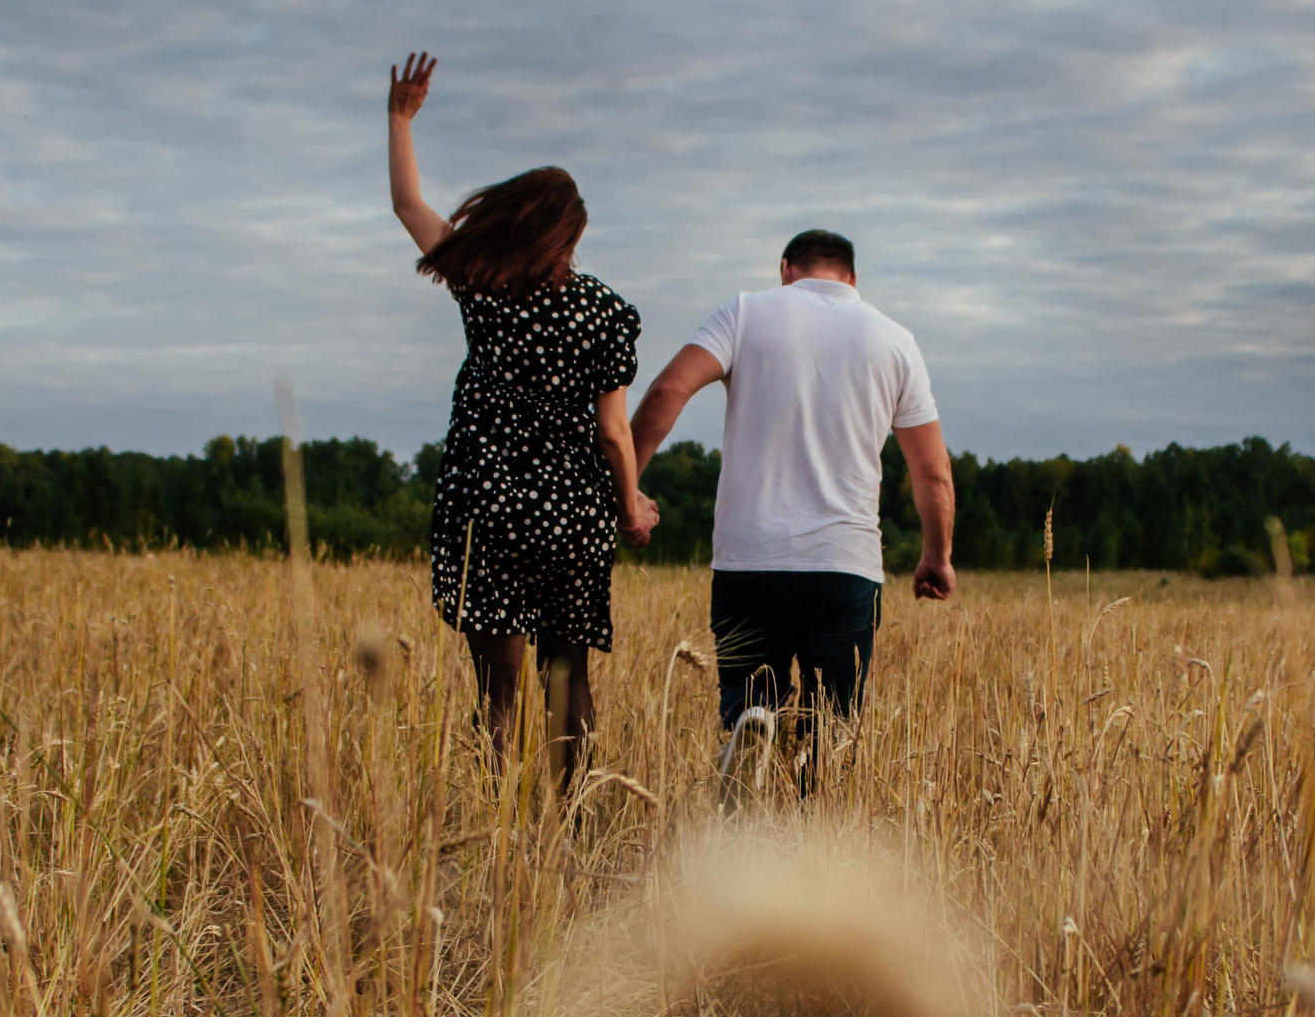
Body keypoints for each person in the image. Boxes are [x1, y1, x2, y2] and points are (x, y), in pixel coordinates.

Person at [385, 51, 658, 789]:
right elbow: (612, 432)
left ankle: (499, 834)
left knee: (498, 695)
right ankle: (565, 830)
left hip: (488, 507)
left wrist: (400, 120)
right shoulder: (607, 310)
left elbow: (409, 205)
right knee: (568, 682)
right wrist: (630, 502)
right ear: (570, 235)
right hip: (572, 513)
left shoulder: (485, 281)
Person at [628, 228, 954, 751]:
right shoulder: (895, 340)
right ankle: (810, 805)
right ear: (853, 278)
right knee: (829, 736)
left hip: (748, 562)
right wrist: (936, 555)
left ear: (786, 270)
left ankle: (749, 739)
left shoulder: (744, 312)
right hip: (844, 564)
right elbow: (933, 470)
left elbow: (668, 389)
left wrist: (627, 490)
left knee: (750, 704)